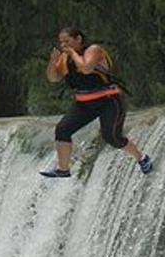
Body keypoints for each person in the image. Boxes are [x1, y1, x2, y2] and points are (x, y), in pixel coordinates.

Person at [40, 27, 153, 178]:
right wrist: (53, 63)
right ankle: (63, 169)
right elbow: (53, 78)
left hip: (109, 101)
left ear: (78, 39)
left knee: (111, 137)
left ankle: (142, 158)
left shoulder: (94, 50)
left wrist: (73, 53)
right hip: (84, 104)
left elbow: (86, 68)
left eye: (67, 41)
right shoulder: (65, 58)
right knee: (62, 129)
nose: (63, 46)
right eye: (61, 42)